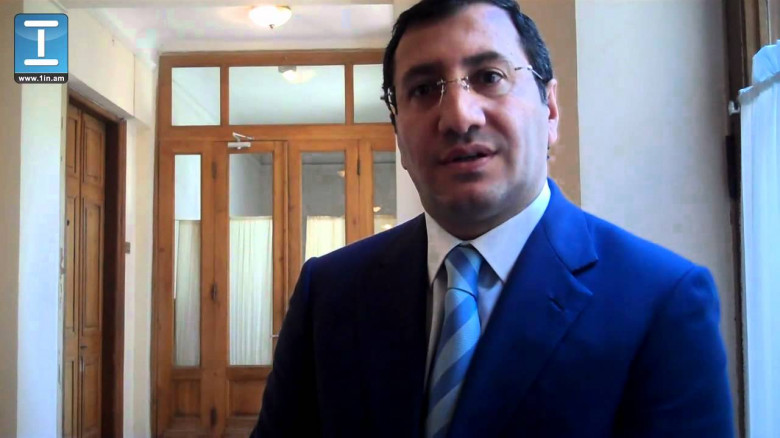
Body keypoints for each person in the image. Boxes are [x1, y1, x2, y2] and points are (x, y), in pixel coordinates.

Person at [251, 0, 734, 436]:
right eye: (423, 89)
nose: (459, 117)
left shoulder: (662, 301)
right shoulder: (329, 292)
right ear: (397, 132)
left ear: (550, 110)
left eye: (489, 77)